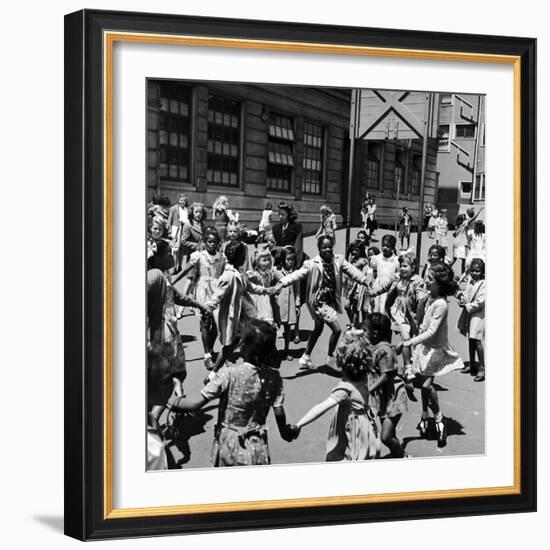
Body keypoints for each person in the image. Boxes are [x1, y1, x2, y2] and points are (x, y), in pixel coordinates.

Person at [168, 319, 296, 467]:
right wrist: (285, 431)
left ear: (244, 347)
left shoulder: (229, 374)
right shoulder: (274, 379)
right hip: (257, 447)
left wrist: (172, 402)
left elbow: (195, 405)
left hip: (228, 446)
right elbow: (279, 410)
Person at [274, 235, 374, 370]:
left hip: (330, 300)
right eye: (324, 247)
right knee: (337, 330)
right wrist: (281, 283)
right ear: (319, 248)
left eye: (329, 246)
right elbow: (297, 274)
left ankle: (305, 357)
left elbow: (352, 271)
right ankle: (329, 356)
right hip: (319, 302)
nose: (327, 249)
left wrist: (364, 280)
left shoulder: (338, 260)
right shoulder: (312, 264)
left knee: (318, 328)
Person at [398, 263, 464, 447]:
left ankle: (439, 420)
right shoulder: (428, 298)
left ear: (439, 284)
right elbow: (420, 322)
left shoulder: (441, 304)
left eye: (430, 279)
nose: (426, 281)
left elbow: (432, 331)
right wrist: (419, 303)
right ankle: (424, 415)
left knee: (426, 385)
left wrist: (411, 342)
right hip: (423, 348)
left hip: (435, 348)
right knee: (424, 383)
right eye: (426, 277)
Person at [289, 331, 380, 461]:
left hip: (352, 430)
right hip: (365, 427)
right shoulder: (364, 378)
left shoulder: (345, 389)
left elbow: (321, 407)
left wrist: (298, 425)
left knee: (346, 455)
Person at [204, 240, 268, 373]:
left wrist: (266, 290)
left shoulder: (240, 273)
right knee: (228, 348)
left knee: (249, 340)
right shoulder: (228, 276)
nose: (245, 258)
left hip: (243, 317)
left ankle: (252, 367)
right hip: (232, 318)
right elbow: (217, 295)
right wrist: (208, 309)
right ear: (237, 256)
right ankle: (213, 375)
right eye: (243, 255)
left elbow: (250, 287)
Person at [172, 227, 226, 371]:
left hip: (217, 290)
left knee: (216, 323)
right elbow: (184, 270)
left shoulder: (222, 257)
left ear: (218, 243)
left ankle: (210, 347)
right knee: (205, 321)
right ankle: (207, 354)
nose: (212, 244)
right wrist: (172, 281)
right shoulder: (198, 256)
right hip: (203, 290)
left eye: (214, 242)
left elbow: (226, 273)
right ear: (204, 242)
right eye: (209, 242)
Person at [365, 313, 409, 458]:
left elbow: (385, 376)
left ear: (375, 333)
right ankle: (396, 455)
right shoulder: (375, 346)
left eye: (366, 330)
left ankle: (402, 455)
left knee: (385, 436)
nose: (364, 333)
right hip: (384, 398)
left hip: (393, 397)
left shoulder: (384, 351)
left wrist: (368, 390)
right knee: (390, 432)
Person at [384, 252, 427, 386]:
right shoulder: (397, 277)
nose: (402, 269)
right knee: (406, 339)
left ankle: (402, 356)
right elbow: (386, 288)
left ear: (413, 267)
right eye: (401, 266)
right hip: (396, 311)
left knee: (410, 340)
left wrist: (422, 298)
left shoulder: (418, 280)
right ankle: (407, 368)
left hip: (412, 314)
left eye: (406, 266)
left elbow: (421, 293)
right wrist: (374, 291)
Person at [457, 258, 486, 381]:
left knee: (477, 339)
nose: (474, 273)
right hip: (470, 312)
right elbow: (467, 293)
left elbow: (480, 302)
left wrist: (467, 306)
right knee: (470, 339)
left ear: (482, 272)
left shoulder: (484, 284)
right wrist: (462, 299)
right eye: (473, 271)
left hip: (479, 314)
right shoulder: (470, 280)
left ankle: (482, 368)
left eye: (477, 271)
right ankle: (472, 364)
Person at [276, 246, 301, 360]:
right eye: (288, 259)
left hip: (290, 304)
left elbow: (297, 290)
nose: (290, 262)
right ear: (283, 259)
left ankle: (286, 349)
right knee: (275, 327)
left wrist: (297, 304)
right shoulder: (276, 271)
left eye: (292, 259)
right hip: (278, 304)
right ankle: (272, 351)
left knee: (287, 328)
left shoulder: (296, 273)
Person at [247, 248, 281, 326]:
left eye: (268, 260)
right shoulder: (256, 274)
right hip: (260, 300)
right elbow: (248, 279)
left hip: (270, 298)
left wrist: (277, 288)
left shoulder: (271, 273)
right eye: (264, 260)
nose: (267, 263)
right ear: (257, 262)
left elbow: (278, 280)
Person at [369, 234, 400, 313]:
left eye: (388, 246)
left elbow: (397, 278)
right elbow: (374, 275)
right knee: (375, 312)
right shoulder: (377, 258)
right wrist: (372, 291)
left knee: (385, 313)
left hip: (389, 291)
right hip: (377, 288)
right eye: (383, 245)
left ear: (392, 248)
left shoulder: (396, 261)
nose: (385, 248)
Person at [342, 241, 368, 328]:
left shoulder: (362, 261)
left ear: (360, 251)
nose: (354, 252)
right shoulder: (352, 259)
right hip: (350, 287)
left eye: (356, 250)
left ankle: (355, 325)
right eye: (353, 250)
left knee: (354, 308)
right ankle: (354, 323)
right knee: (348, 306)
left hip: (357, 287)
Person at [167, 193, 190, 272]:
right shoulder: (174, 208)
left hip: (184, 230)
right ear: (178, 200)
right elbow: (170, 219)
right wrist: (169, 230)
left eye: (184, 200)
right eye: (181, 200)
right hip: (176, 229)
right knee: (175, 249)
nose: (183, 202)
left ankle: (179, 266)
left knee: (181, 249)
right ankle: (174, 267)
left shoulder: (187, 209)